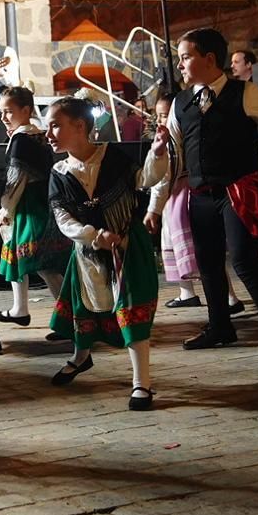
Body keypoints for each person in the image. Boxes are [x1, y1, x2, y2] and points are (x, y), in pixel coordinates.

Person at [168, 27, 258, 375]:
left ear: (209, 59)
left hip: (237, 192)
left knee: (247, 264)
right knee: (209, 265)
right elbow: (173, 153)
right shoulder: (179, 103)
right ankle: (220, 327)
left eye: (186, 57)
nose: (181, 65)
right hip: (200, 196)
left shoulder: (244, 92)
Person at [45, 97, 170, 409]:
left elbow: (145, 180)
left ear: (80, 126)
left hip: (128, 248)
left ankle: (142, 383)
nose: (48, 133)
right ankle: (80, 357)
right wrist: (93, 236)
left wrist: (156, 154)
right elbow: (63, 220)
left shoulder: (114, 157)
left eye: (55, 125)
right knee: (84, 311)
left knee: (132, 311)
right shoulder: (59, 173)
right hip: (88, 253)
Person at [145, 93, 249, 315]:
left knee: (199, 248)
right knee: (175, 243)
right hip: (173, 196)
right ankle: (187, 293)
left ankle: (230, 298)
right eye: (160, 116)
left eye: (166, 115)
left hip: (183, 195)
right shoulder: (174, 137)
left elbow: (163, 175)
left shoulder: (180, 139)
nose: (163, 120)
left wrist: (152, 208)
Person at [0, 86, 72, 328]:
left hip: (29, 204)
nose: (4, 117)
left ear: (25, 110)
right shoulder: (38, 134)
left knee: (39, 260)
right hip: (41, 199)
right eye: (2, 112)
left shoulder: (21, 139)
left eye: (8, 111)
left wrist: (6, 208)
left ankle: (67, 316)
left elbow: (16, 179)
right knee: (33, 259)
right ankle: (20, 308)